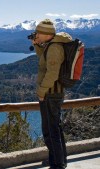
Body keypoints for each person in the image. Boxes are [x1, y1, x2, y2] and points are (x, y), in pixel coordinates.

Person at [32, 19, 72, 169]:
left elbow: (52, 73)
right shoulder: (51, 45)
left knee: (51, 130)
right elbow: (44, 59)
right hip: (52, 92)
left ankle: (57, 164)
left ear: (46, 33)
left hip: (51, 93)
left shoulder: (55, 47)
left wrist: (42, 91)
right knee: (54, 128)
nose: (36, 34)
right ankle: (58, 159)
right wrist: (37, 45)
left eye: (38, 32)